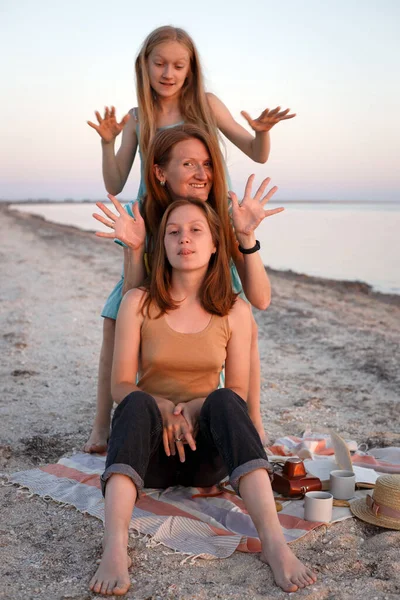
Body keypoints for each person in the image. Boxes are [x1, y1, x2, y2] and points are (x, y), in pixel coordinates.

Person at [89, 199, 317, 596]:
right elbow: (121, 384)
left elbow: (239, 390)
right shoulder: (137, 302)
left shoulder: (235, 310)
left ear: (215, 245)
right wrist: (163, 408)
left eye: (196, 230)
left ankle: (275, 545)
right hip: (149, 455)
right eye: (174, 231)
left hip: (208, 457)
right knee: (137, 402)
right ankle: (115, 548)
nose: (185, 239)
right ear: (162, 245)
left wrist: (193, 408)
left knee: (227, 401)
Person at [84, 26, 294, 454]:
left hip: (211, 213)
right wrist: (108, 143)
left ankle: (251, 417)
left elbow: (256, 152)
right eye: (159, 63)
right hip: (158, 217)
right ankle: (101, 426)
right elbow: (115, 179)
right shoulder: (138, 116)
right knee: (118, 315)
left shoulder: (206, 104)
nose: (168, 72)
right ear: (144, 64)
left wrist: (263, 132)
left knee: (241, 317)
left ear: (191, 68)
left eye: (178, 65)